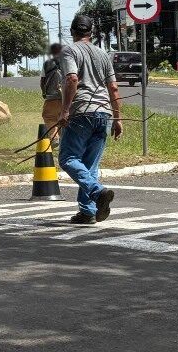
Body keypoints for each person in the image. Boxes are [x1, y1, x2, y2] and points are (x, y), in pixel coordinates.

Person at [57, 15, 121, 225]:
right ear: (91, 33)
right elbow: (113, 87)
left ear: (72, 31)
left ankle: (97, 191)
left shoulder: (70, 50)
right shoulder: (103, 54)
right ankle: (88, 212)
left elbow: (72, 78)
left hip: (82, 112)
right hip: (104, 113)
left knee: (68, 159)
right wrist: (118, 118)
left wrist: (65, 110)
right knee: (89, 165)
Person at [40, 43, 64, 148]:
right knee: (63, 118)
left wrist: (44, 92)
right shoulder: (69, 62)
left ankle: (54, 138)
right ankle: (64, 141)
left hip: (52, 97)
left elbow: (42, 81)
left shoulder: (47, 64)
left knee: (49, 117)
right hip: (66, 98)